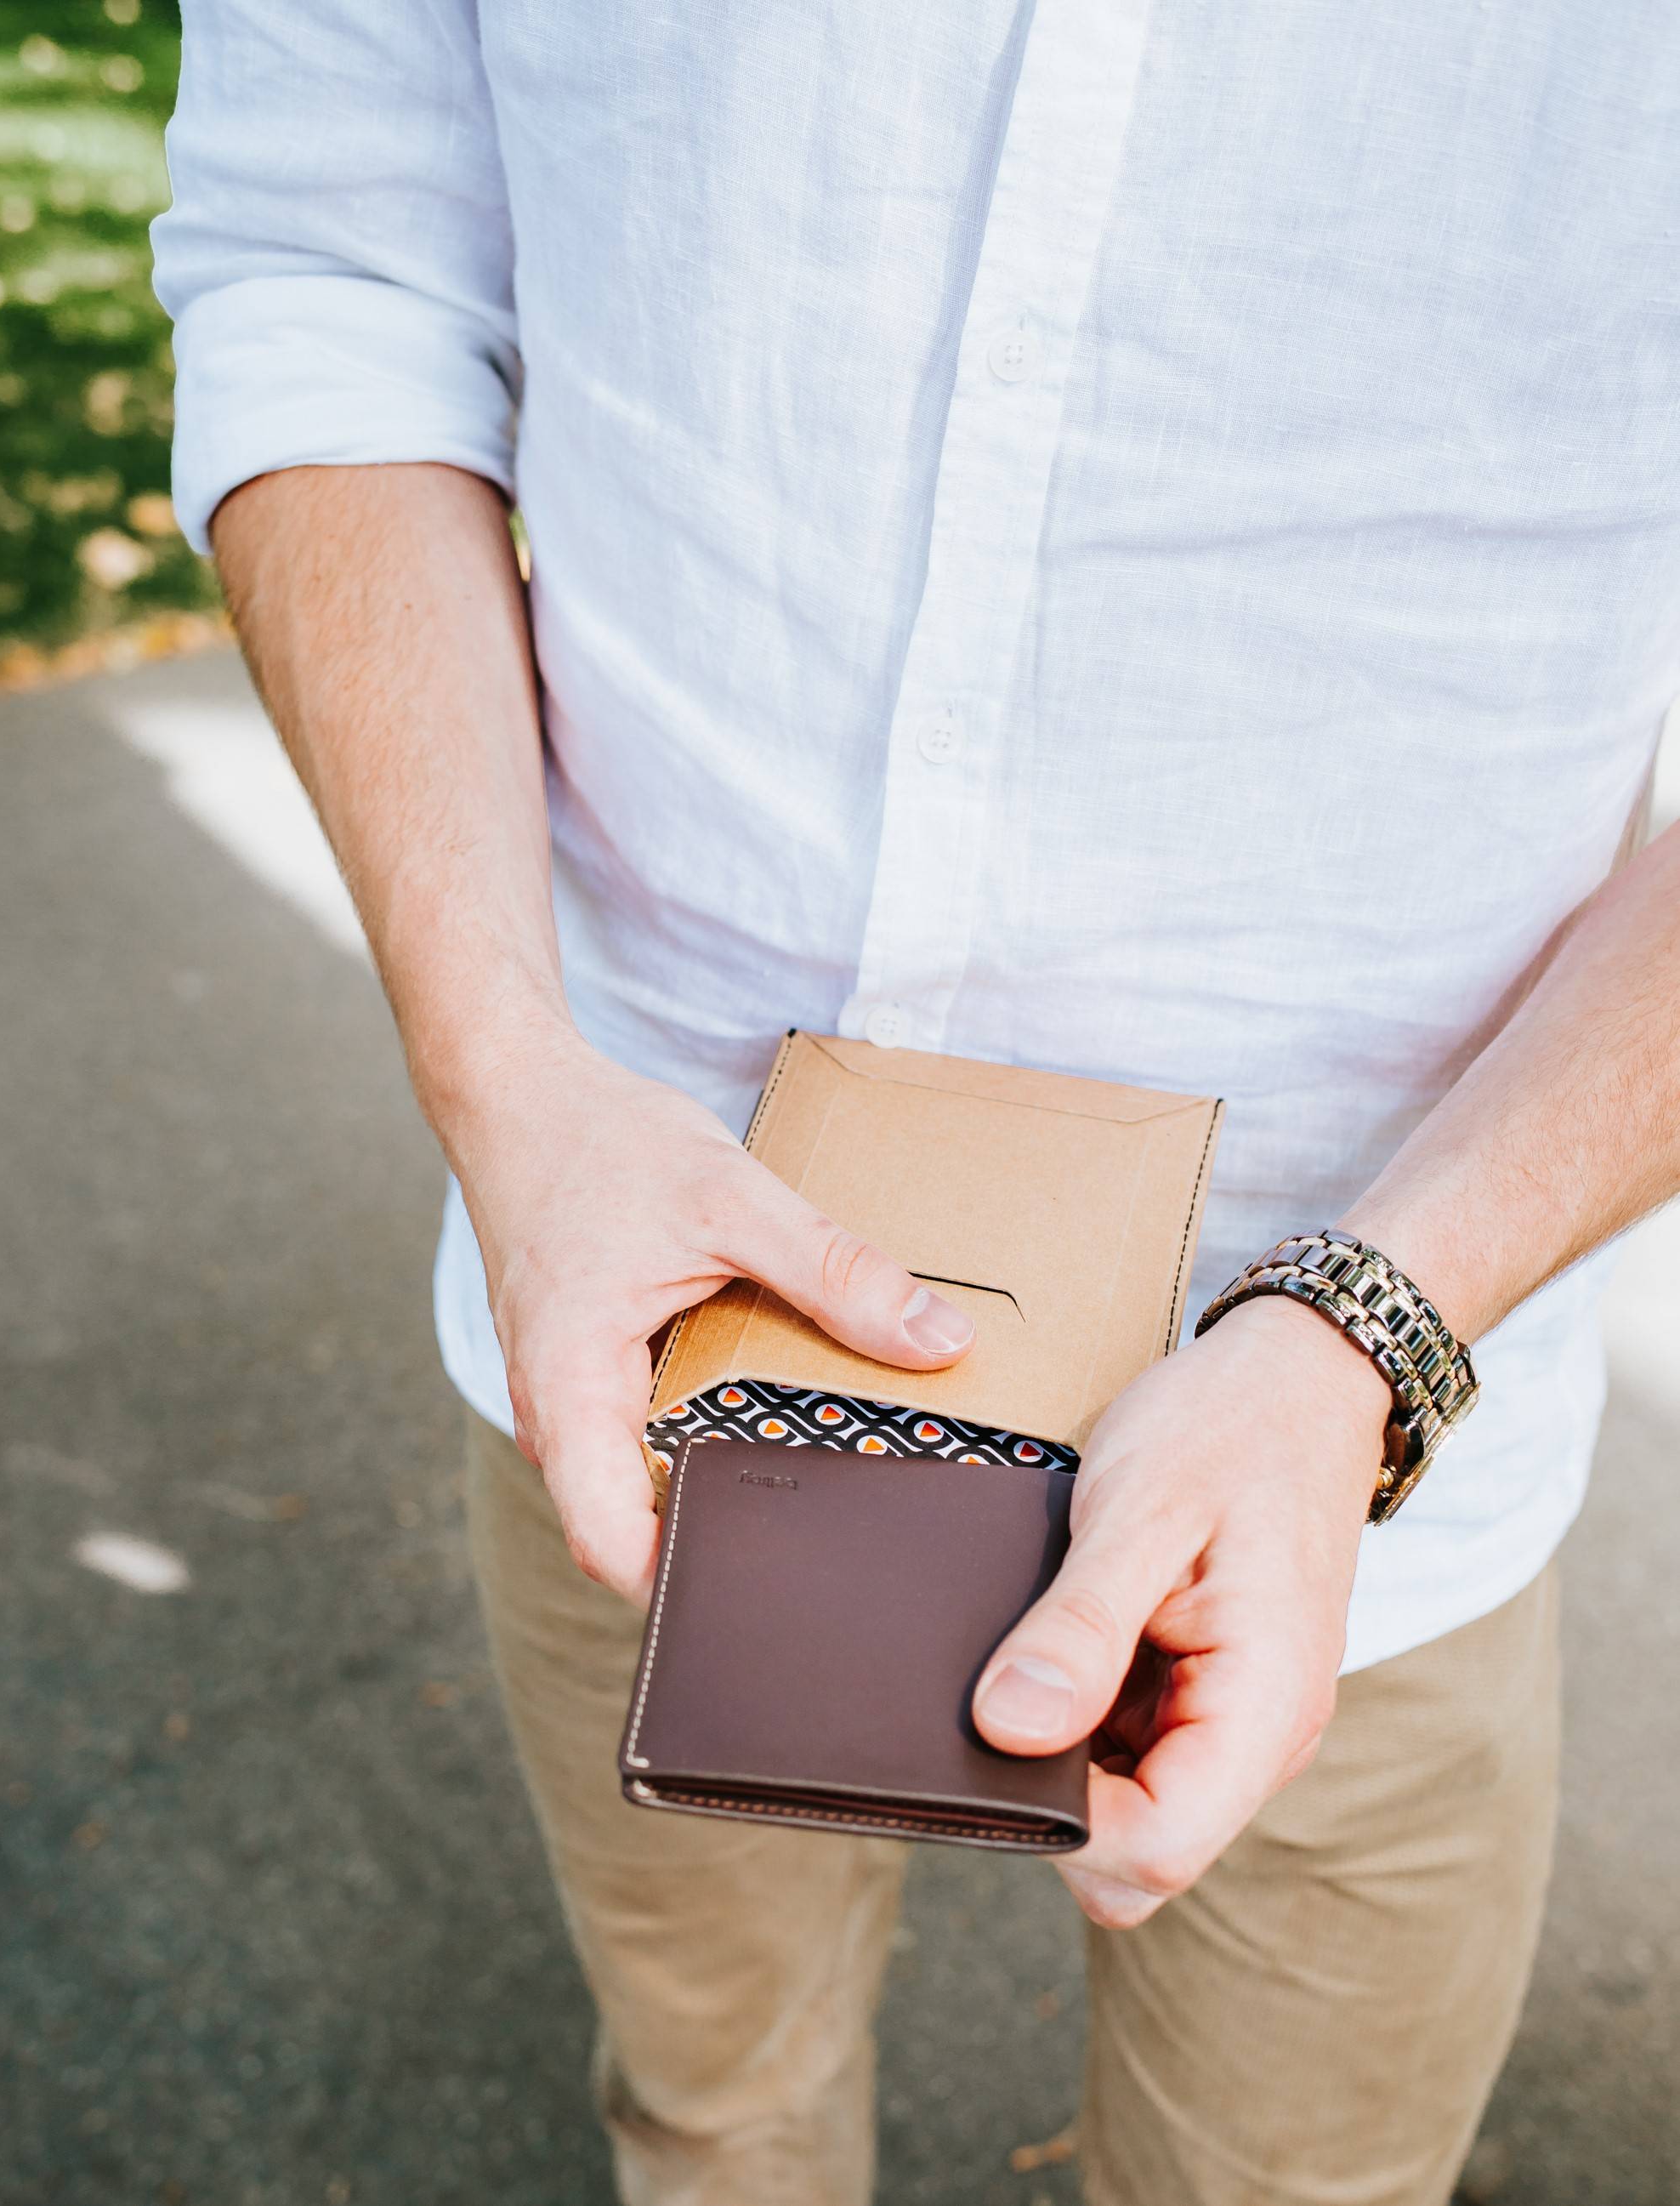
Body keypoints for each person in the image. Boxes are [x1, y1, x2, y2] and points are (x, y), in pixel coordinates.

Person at [152, 7, 1680, 2201]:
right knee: (712, 2113)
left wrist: (1382, 1328)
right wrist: (510, 1084)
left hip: (1377, 1419)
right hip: (645, 1293)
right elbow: (333, 268)